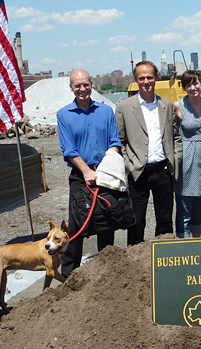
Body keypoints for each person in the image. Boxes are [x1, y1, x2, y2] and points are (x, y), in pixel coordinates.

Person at [57, 69, 121, 276]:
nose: (82, 89)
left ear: (92, 84)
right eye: (78, 85)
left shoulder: (106, 111)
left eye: (85, 84)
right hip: (79, 175)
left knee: (107, 221)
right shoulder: (64, 115)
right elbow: (69, 150)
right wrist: (86, 171)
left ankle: (107, 269)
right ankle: (69, 274)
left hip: (105, 172)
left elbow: (114, 142)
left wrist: (105, 168)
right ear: (71, 88)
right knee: (77, 225)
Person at [116, 61, 182, 245]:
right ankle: (136, 260)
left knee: (164, 218)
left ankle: (164, 255)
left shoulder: (167, 106)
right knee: (136, 220)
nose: (146, 81)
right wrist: (128, 165)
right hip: (138, 172)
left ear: (156, 78)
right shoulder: (124, 107)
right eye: (142, 78)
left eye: (150, 77)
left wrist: (174, 159)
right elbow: (119, 141)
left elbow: (176, 137)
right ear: (136, 80)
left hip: (163, 170)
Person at [173, 70, 201, 238]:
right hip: (187, 159)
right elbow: (173, 134)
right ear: (184, 88)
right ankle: (183, 245)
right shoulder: (178, 106)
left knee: (198, 206)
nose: (193, 87)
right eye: (188, 85)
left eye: (195, 83)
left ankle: (196, 244)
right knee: (184, 207)